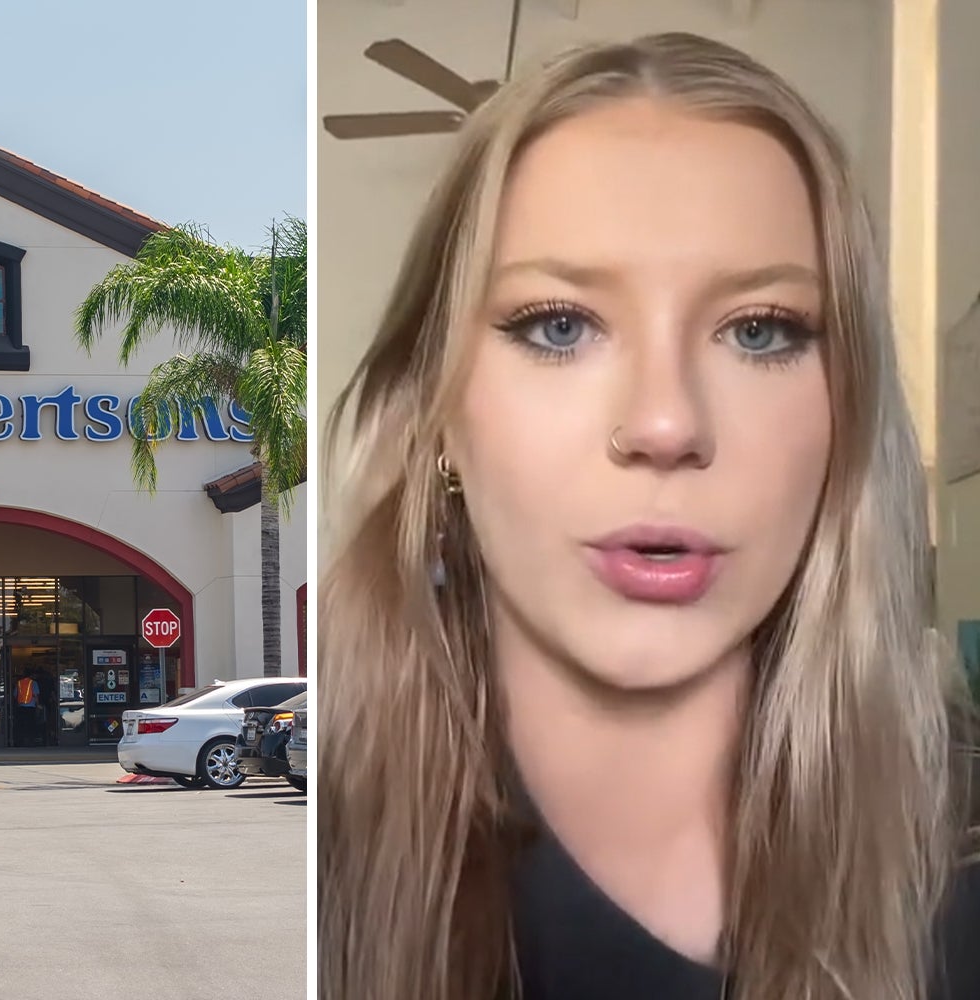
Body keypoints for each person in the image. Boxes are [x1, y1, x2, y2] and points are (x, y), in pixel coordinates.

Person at [316, 32, 979, 1000]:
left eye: (759, 331)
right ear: (436, 413)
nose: (665, 424)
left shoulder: (957, 863)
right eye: (558, 325)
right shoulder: (309, 860)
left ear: (845, 414)